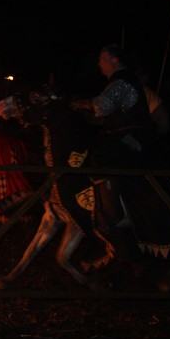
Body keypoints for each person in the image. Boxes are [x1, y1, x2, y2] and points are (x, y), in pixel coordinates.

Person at [71, 44, 158, 270]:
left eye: (101, 59)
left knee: (101, 158)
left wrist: (80, 103)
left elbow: (102, 106)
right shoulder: (118, 82)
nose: (99, 64)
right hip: (125, 137)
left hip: (132, 141)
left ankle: (111, 212)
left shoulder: (122, 81)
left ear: (114, 59)